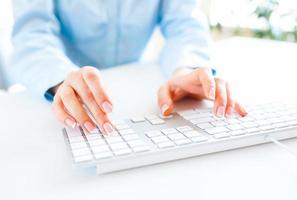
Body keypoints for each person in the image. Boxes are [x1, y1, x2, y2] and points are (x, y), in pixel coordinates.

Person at [9, 0, 247, 134]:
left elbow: (184, 23)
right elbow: (31, 34)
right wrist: (61, 80)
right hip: (63, 99)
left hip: (138, 94)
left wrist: (184, 70)